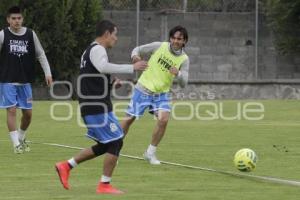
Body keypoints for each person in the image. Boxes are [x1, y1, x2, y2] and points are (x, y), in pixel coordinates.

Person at [55, 20, 147, 195]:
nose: (116, 39)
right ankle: (104, 185)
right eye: (115, 34)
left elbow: (95, 73)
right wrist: (132, 67)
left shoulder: (91, 50)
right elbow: (102, 66)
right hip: (95, 106)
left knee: (107, 144)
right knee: (116, 141)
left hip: (95, 105)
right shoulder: (98, 49)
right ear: (106, 34)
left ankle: (66, 166)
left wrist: (112, 82)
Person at [121, 26, 189, 165]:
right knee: (128, 121)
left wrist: (179, 74)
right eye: (173, 38)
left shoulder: (184, 59)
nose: (175, 41)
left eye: (179, 39)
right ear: (170, 38)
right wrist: (135, 57)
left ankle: (150, 153)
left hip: (161, 94)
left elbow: (184, 83)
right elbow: (137, 49)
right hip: (143, 89)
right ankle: (113, 151)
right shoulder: (159, 46)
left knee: (163, 120)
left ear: (184, 41)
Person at [0, 6, 52, 154]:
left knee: (28, 115)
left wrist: (47, 73)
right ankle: (16, 144)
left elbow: (40, 54)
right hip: (7, 80)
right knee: (11, 111)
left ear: (22, 19)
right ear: (8, 20)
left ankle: (21, 138)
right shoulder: (3, 35)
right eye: (13, 18)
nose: (17, 21)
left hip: (25, 81)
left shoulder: (30, 34)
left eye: (19, 18)